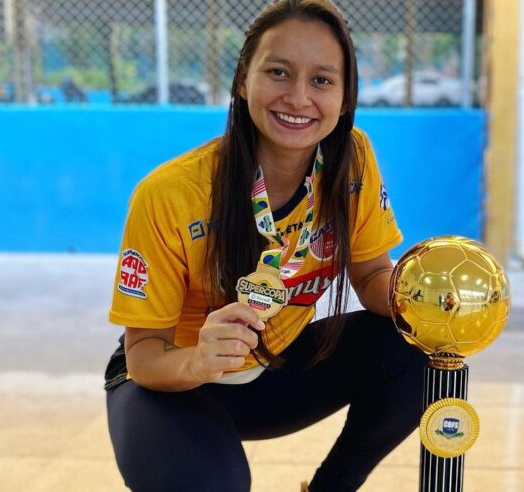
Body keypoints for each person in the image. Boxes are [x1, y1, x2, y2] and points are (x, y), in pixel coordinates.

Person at [104, 1, 426, 491]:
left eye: (322, 80)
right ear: (242, 81)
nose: (298, 98)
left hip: (274, 370)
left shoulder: (352, 159)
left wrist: (426, 298)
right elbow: (145, 353)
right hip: (170, 383)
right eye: (278, 72)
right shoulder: (171, 194)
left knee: (415, 346)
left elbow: (370, 277)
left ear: (345, 97)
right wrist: (195, 360)